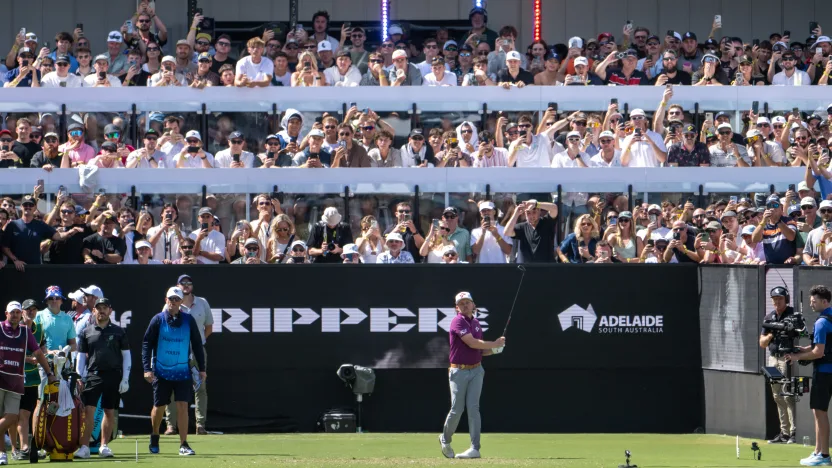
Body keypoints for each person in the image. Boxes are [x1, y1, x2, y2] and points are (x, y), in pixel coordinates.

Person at [439, 291, 505, 460]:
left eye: (468, 302)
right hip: (459, 371)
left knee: (474, 409)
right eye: (461, 303)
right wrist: (494, 343)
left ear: (474, 305)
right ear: (457, 308)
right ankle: (445, 439)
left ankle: (475, 448)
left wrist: (495, 350)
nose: (465, 305)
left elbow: (480, 350)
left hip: (477, 370)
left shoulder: (475, 322)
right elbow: (471, 342)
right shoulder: (457, 321)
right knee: (457, 409)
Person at [142, 287, 205, 456]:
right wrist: (147, 368)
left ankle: (183, 443)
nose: (174, 302)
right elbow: (147, 343)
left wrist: (202, 369)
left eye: (177, 299)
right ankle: (155, 435)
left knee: (182, 406)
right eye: (171, 299)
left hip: (183, 372)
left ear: (181, 302)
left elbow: (197, 345)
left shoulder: (188, 320)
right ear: (166, 300)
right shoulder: (158, 319)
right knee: (159, 406)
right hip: (161, 372)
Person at [0, 302, 57, 466]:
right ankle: (2, 453)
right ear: (6, 314)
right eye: (13, 312)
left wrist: (49, 373)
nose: (16, 315)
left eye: (18, 312)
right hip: (1, 379)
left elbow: (39, 352)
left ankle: (17, 449)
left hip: (16, 381)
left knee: (11, 417)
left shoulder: (26, 332)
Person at [74, 298, 130, 459]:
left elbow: (127, 356)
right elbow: (81, 357)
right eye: (99, 308)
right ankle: (84, 447)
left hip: (113, 375)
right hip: (93, 375)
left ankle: (104, 446)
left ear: (110, 311)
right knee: (89, 410)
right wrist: (80, 376)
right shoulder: (87, 331)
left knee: (109, 411)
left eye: (105, 308)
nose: (102, 311)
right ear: (94, 311)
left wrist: (125, 378)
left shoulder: (119, 331)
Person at [786, 286, 832, 466]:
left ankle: (824, 455)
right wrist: (804, 350)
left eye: (814, 301)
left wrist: (797, 357)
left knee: (820, 413)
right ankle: (818, 452)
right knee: (819, 412)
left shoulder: (821, 322)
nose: (811, 304)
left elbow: (819, 352)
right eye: (811, 301)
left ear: (825, 301)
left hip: (824, 373)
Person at [164, 275, 212, 435]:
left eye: (188, 282)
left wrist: (197, 344)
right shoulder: (169, 305)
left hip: (197, 352)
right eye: (182, 283)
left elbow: (208, 327)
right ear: (178, 285)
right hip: (175, 352)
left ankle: (200, 425)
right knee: (171, 387)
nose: (186, 285)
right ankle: (171, 425)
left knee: (200, 387)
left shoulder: (202, 302)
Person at [759, 287, 797, 445]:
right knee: (777, 396)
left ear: (786, 299)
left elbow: (800, 332)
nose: (777, 301)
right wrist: (771, 333)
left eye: (780, 298)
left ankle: (794, 432)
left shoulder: (793, 315)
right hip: (773, 358)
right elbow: (762, 343)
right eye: (774, 299)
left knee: (788, 395)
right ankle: (784, 432)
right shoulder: (769, 318)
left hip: (787, 358)